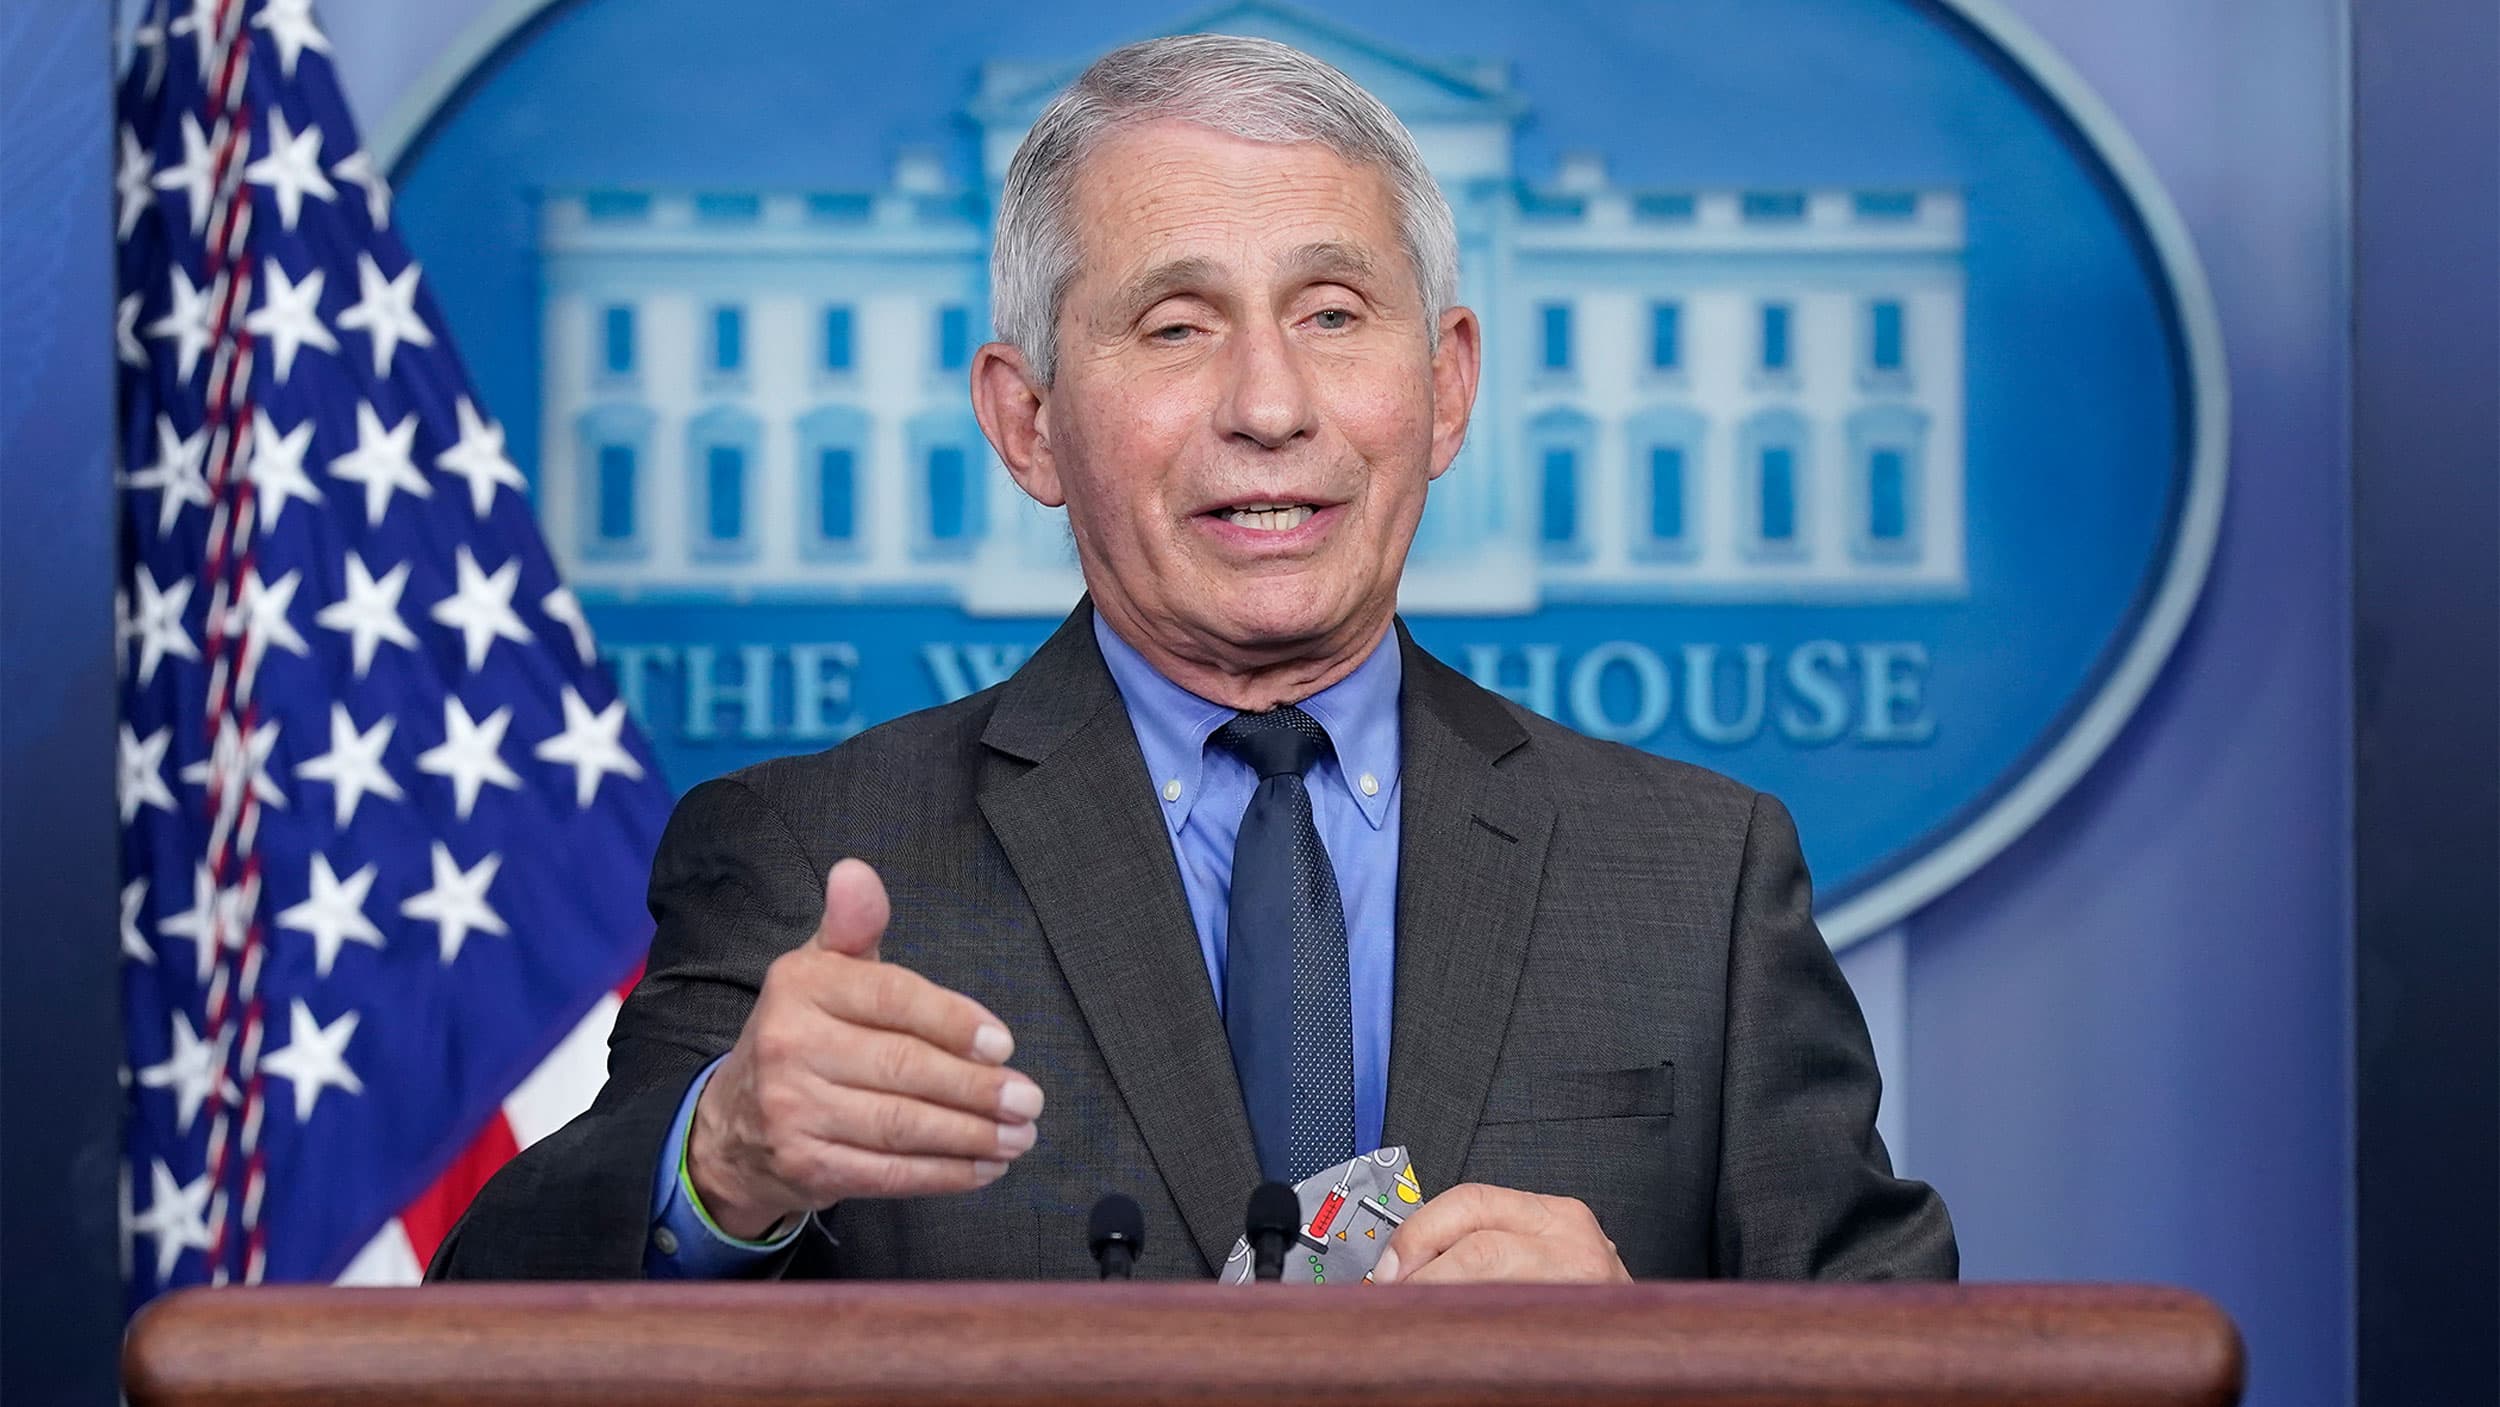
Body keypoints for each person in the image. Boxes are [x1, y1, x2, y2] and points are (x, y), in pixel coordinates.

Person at [430, 33, 1955, 1284]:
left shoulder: (1699, 877)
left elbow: (1921, 1372)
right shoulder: (813, 857)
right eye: (1175, 326)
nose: (1270, 404)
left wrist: (1653, 1367)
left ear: (1445, 389)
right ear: (1028, 423)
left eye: (1335, 313)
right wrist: (727, 1161)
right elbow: (501, 1312)